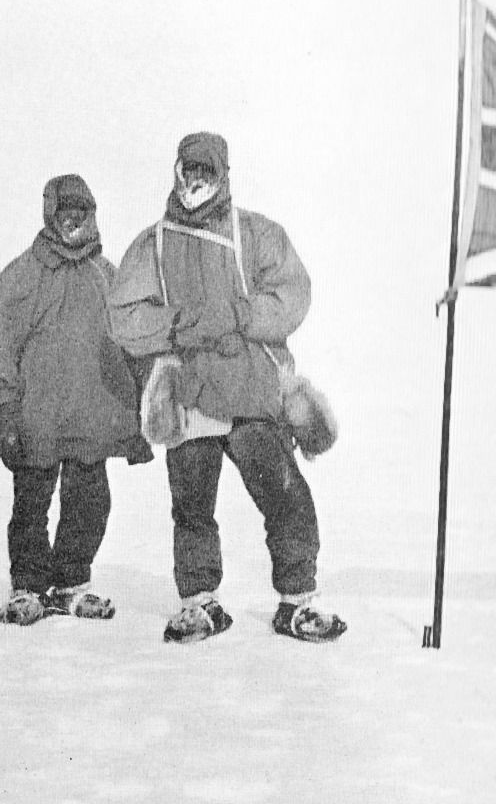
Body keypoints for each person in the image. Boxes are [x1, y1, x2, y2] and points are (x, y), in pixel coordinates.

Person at [107, 131, 345, 644]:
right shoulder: (154, 243)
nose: (196, 179)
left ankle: (298, 602)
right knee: (192, 506)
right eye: (188, 169)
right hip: (190, 394)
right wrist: (176, 324)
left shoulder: (257, 234)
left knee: (286, 497)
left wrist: (241, 314)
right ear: (176, 171)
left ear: (223, 175)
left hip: (251, 390)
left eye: (206, 171)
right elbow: (123, 316)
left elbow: (293, 295)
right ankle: (199, 603)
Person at [0, 174, 152, 626]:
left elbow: (136, 347)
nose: (73, 221)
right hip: (37, 421)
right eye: (64, 212)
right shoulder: (23, 275)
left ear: (92, 216)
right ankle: (27, 586)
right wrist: (1, 408)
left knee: (89, 503)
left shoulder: (108, 278)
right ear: (49, 214)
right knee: (31, 504)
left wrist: (142, 412)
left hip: (93, 418)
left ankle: (72, 580)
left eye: (81, 213)